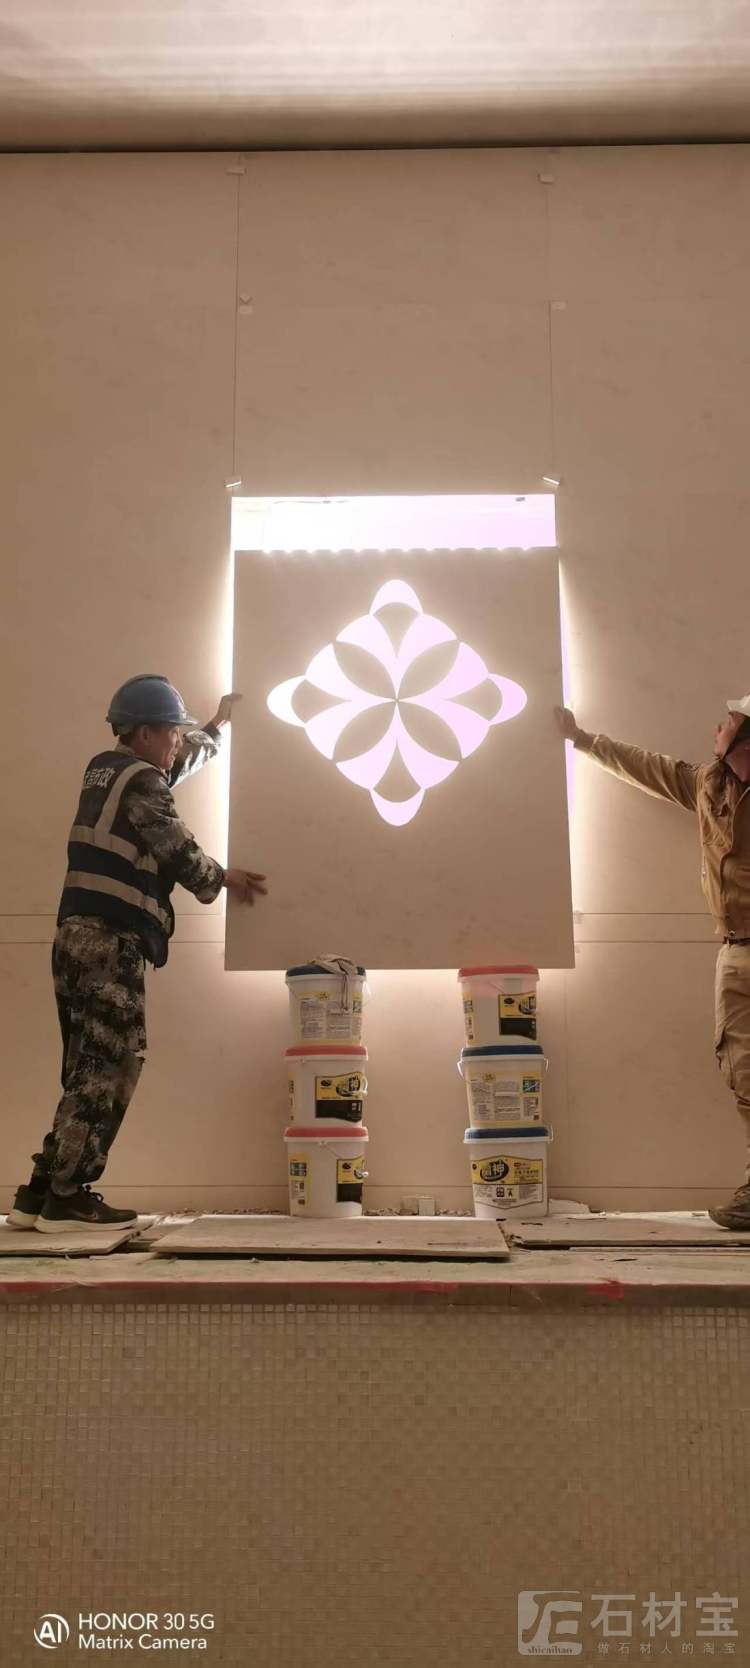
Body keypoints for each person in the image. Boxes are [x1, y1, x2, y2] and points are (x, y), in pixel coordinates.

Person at [8, 675, 267, 1234]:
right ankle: (68, 1196)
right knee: (112, 1064)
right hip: (109, 942)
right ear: (145, 732)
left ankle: (41, 1190)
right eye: (172, 732)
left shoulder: (107, 771)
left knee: (87, 1066)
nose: (177, 741)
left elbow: (173, 765)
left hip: (75, 939)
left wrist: (216, 727)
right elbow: (176, 847)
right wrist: (222, 878)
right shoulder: (144, 782)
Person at [556, 694, 750, 1230]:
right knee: (743, 1072)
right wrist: (582, 740)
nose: (717, 728)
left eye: (728, 723)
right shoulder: (710, 784)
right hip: (735, 950)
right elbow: (650, 769)